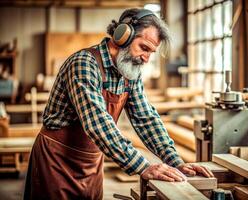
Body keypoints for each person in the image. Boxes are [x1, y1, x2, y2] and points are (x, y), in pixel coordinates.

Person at [24, 8, 214, 200]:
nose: (146, 59)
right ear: (122, 35)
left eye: (151, 52)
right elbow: (98, 124)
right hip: (56, 162)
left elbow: (146, 119)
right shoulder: (84, 64)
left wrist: (176, 162)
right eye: (144, 48)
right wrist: (144, 166)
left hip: (90, 165)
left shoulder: (130, 72)